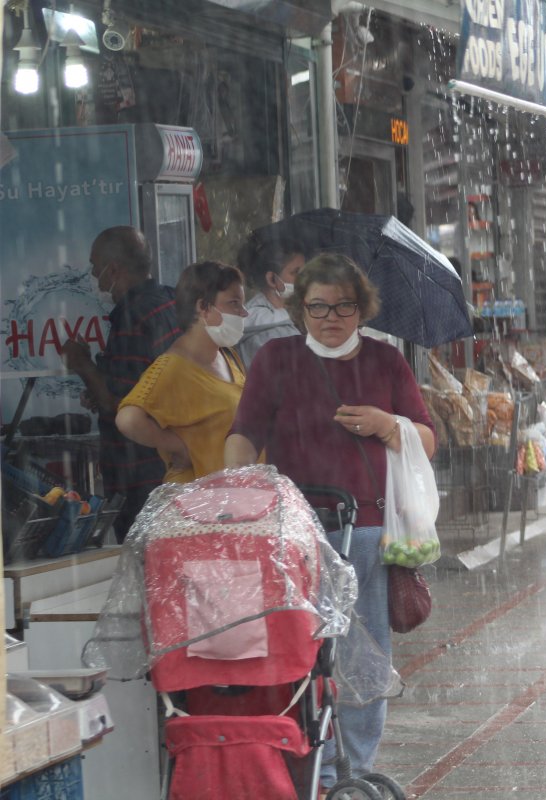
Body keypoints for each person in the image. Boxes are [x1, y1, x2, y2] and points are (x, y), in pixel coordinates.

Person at [225, 253, 435, 789]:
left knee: (364, 654)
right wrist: (234, 489)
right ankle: (307, 761)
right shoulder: (276, 358)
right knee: (300, 650)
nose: (330, 317)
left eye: (343, 306)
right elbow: (244, 433)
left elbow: (428, 439)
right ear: (300, 309)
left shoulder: (386, 362)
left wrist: (388, 425)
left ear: (361, 308)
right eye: (318, 306)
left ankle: (355, 769)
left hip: (365, 530)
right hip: (292, 532)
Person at [61, 227, 181, 542]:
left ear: (113, 270)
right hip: (172, 467)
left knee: (145, 560)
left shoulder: (133, 317)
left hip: (142, 473)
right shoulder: (169, 302)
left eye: (95, 266)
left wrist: (82, 364)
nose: (93, 276)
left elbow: (121, 403)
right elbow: (145, 383)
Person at [116, 262, 251, 483]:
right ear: (203, 307)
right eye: (234, 303)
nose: (243, 312)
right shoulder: (173, 366)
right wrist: (178, 446)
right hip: (200, 497)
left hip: (234, 495)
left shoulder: (228, 356)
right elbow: (128, 419)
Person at [237, 238, 304, 365]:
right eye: (296, 272)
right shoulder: (269, 330)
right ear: (272, 279)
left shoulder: (280, 317)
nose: (304, 278)